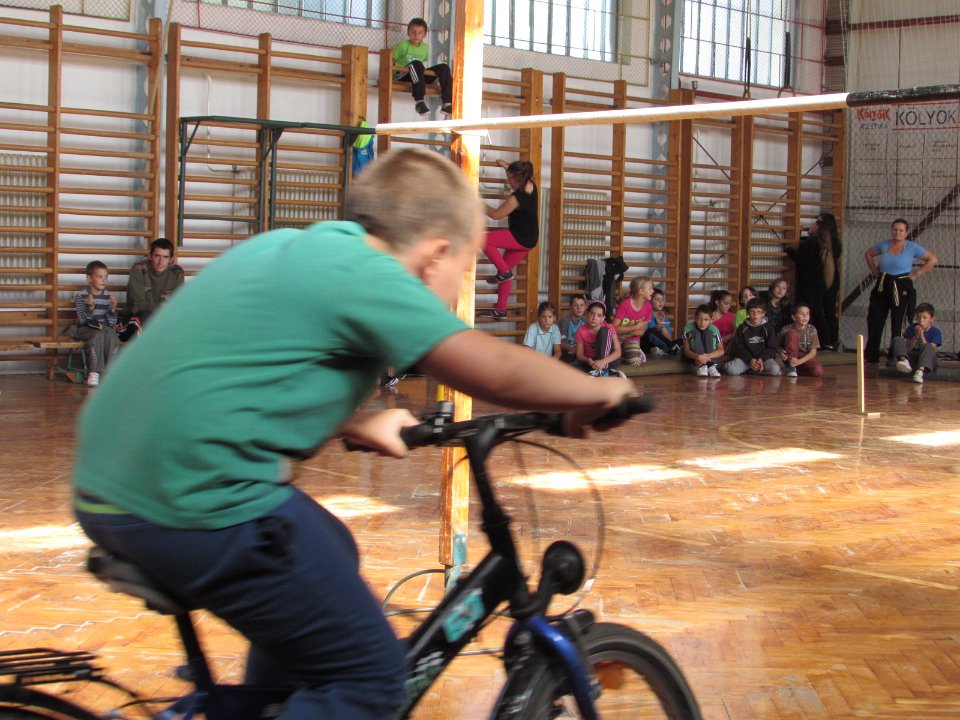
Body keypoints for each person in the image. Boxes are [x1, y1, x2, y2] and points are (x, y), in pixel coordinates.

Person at [71, 149, 636, 720]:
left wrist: (356, 420)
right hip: (192, 497)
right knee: (371, 677)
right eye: (464, 271)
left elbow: (244, 374)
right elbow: (492, 368)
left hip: (116, 481)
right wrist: (600, 392)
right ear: (434, 256)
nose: (458, 291)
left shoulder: (298, 249)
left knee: (331, 550)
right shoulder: (371, 274)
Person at [864, 218, 938, 364]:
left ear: (906, 233)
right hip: (883, 284)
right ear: (891, 231)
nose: (897, 232)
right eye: (895, 229)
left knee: (898, 323)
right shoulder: (884, 245)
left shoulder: (912, 247)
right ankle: (871, 356)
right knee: (875, 319)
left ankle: (895, 356)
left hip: (901, 285)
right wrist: (875, 271)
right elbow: (868, 254)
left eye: (901, 230)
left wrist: (916, 273)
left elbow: (933, 259)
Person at [482, 159, 539, 319]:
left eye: (510, 178)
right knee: (504, 269)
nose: (509, 182)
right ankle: (500, 309)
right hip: (530, 239)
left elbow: (496, 215)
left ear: (518, 179)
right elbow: (519, 173)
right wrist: (507, 166)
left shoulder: (516, 198)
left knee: (483, 240)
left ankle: (505, 273)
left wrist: (479, 205)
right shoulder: (531, 184)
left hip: (519, 237)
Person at [787, 213, 842, 350]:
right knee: (825, 311)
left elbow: (802, 259)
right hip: (825, 281)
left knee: (816, 312)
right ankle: (831, 341)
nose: (812, 224)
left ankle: (823, 341)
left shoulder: (814, 243)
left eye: (817, 222)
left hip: (813, 282)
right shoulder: (832, 242)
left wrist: (789, 250)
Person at [392, 17, 453, 116]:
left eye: (420, 32)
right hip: (402, 75)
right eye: (413, 32)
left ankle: (447, 103)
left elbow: (421, 63)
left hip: (417, 75)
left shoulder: (425, 48)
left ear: (424, 35)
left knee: (444, 67)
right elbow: (391, 61)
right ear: (408, 33)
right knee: (417, 63)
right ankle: (419, 101)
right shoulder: (402, 46)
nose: (416, 35)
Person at [73, 260, 119, 388]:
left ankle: (110, 372)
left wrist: (113, 309)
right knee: (98, 334)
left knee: (111, 334)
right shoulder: (81, 296)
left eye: (106, 277)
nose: (104, 280)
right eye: (100, 276)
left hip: (103, 328)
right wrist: (90, 308)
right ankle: (94, 372)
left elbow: (111, 323)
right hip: (85, 329)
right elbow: (82, 321)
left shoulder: (108, 296)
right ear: (89, 278)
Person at [125, 237, 185, 328]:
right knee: (147, 316)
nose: (161, 261)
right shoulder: (139, 269)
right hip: (137, 318)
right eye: (157, 256)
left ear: (171, 259)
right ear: (150, 256)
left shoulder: (177, 272)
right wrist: (163, 308)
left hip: (165, 318)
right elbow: (137, 305)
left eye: (165, 257)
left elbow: (177, 305)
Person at [724, 298, 781, 376]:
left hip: (763, 360)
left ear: (763, 313)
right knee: (731, 369)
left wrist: (762, 358)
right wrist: (750, 360)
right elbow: (738, 348)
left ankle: (751, 370)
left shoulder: (768, 328)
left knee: (775, 370)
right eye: (752, 312)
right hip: (746, 359)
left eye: (758, 312)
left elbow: (772, 348)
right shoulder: (742, 328)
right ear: (747, 313)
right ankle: (751, 368)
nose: (755, 315)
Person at [892, 302, 941, 384]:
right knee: (897, 339)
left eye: (924, 318)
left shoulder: (935, 332)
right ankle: (905, 362)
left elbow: (931, 349)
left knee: (928, 346)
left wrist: (921, 336)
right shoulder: (912, 327)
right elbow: (909, 347)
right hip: (913, 358)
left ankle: (920, 372)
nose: (921, 321)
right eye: (919, 318)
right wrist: (916, 336)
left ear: (931, 319)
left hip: (927, 362)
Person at [574, 301, 623, 376]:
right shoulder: (581, 330)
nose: (594, 318)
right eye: (592, 314)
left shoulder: (609, 327)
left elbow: (618, 352)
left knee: (604, 330)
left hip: (609, 360)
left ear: (603, 318)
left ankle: (602, 372)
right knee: (568, 368)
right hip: (592, 362)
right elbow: (579, 354)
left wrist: (603, 361)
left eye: (599, 315)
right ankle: (604, 373)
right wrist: (587, 360)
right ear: (587, 314)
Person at [613, 275, 653, 366]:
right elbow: (614, 329)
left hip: (632, 339)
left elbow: (641, 332)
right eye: (650, 288)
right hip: (616, 339)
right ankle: (624, 353)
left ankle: (629, 352)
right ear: (641, 291)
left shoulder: (648, 307)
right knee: (614, 362)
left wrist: (623, 330)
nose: (653, 291)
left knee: (635, 363)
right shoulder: (625, 304)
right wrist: (635, 327)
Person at [778, 303, 823, 378]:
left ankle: (795, 370)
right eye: (802, 314)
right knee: (792, 333)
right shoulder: (786, 329)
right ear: (793, 317)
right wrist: (780, 352)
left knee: (818, 371)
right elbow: (776, 345)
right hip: (790, 356)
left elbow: (813, 352)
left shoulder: (812, 330)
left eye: (807, 314)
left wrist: (799, 361)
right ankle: (791, 368)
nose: (805, 316)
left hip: (804, 357)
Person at [681, 304, 724, 377]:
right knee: (695, 333)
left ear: (711, 320)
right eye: (699, 319)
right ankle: (703, 367)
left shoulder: (714, 330)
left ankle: (711, 366)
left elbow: (721, 350)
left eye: (706, 320)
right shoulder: (688, 329)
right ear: (695, 318)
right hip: (693, 356)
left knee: (708, 333)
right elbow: (686, 351)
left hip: (709, 357)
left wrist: (706, 357)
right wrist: (698, 357)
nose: (702, 323)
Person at [641, 288, 682, 357]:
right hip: (646, 345)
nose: (661, 302)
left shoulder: (663, 317)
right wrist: (656, 329)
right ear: (650, 301)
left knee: (681, 341)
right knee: (651, 332)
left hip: (662, 344)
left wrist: (661, 323)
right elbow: (644, 335)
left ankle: (664, 350)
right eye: (657, 299)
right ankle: (672, 350)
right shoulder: (645, 315)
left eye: (662, 299)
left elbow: (669, 338)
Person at [557, 293, 587, 363]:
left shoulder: (586, 321)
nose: (579, 308)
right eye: (575, 305)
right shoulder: (564, 321)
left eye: (582, 305)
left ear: (585, 307)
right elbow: (561, 342)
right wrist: (575, 351)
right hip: (567, 350)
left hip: (581, 350)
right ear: (570, 307)